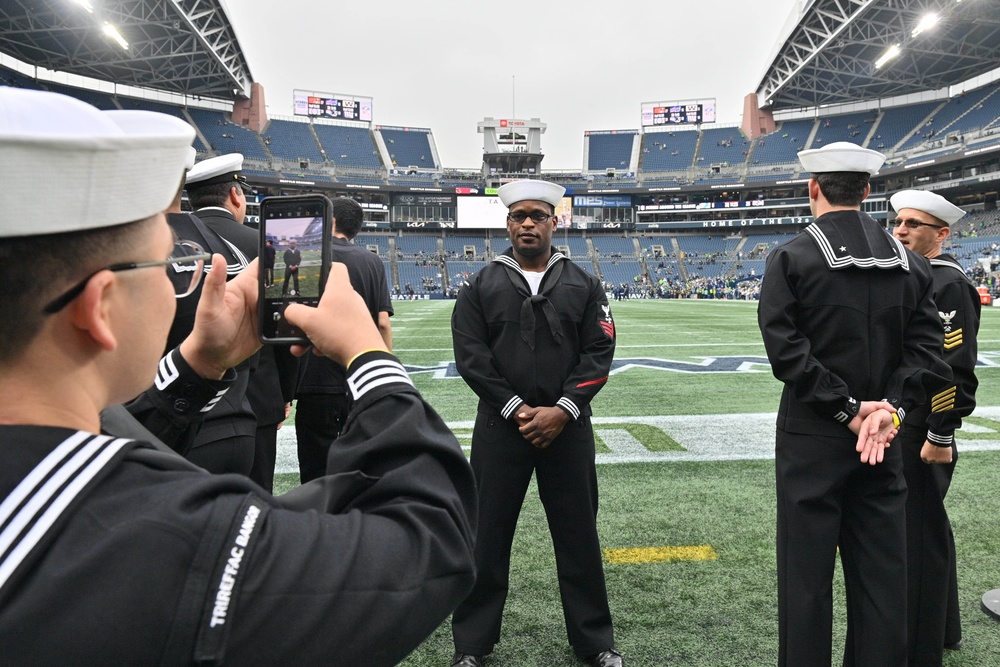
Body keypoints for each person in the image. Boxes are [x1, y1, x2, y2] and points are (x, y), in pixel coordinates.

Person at [0, 88, 476, 665]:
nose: (178, 282)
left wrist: (199, 363)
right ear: (99, 308)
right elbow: (432, 543)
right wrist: (369, 357)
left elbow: (110, 436)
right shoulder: (179, 543)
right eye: (165, 264)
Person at [758, 142, 952, 667]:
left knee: (805, 585)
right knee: (882, 585)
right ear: (868, 192)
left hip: (813, 438)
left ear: (813, 187)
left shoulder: (792, 257)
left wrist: (847, 409)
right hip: (884, 441)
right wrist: (887, 409)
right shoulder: (913, 265)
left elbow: (786, 352)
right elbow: (928, 351)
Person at [449, 180, 622, 667]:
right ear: (507, 224)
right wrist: (515, 409)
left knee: (578, 538)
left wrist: (563, 409)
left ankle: (595, 642)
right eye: (519, 215)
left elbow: (599, 351)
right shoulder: (480, 284)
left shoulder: (584, 284)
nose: (527, 223)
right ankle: (472, 646)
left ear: (554, 222)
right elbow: (471, 357)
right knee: (487, 537)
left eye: (537, 216)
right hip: (501, 430)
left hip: (567, 430)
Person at [890, 189, 979, 666]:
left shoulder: (948, 283)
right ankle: (943, 626)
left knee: (917, 533)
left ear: (941, 234)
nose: (901, 230)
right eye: (899, 222)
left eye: (914, 224)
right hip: (911, 421)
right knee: (926, 527)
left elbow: (954, 368)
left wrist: (940, 433)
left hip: (924, 427)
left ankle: (921, 645)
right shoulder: (919, 274)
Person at [186, 154, 295, 485]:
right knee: (254, 500)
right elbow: (287, 329)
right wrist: (285, 394)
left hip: (183, 396)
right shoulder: (265, 242)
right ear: (235, 195)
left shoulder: (169, 242)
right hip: (256, 400)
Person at [295, 197, 393, 483]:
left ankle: (320, 525)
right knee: (360, 469)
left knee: (315, 475)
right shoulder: (372, 261)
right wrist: (384, 377)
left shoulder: (308, 254)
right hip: (359, 378)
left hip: (315, 381)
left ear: (332, 221)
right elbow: (382, 322)